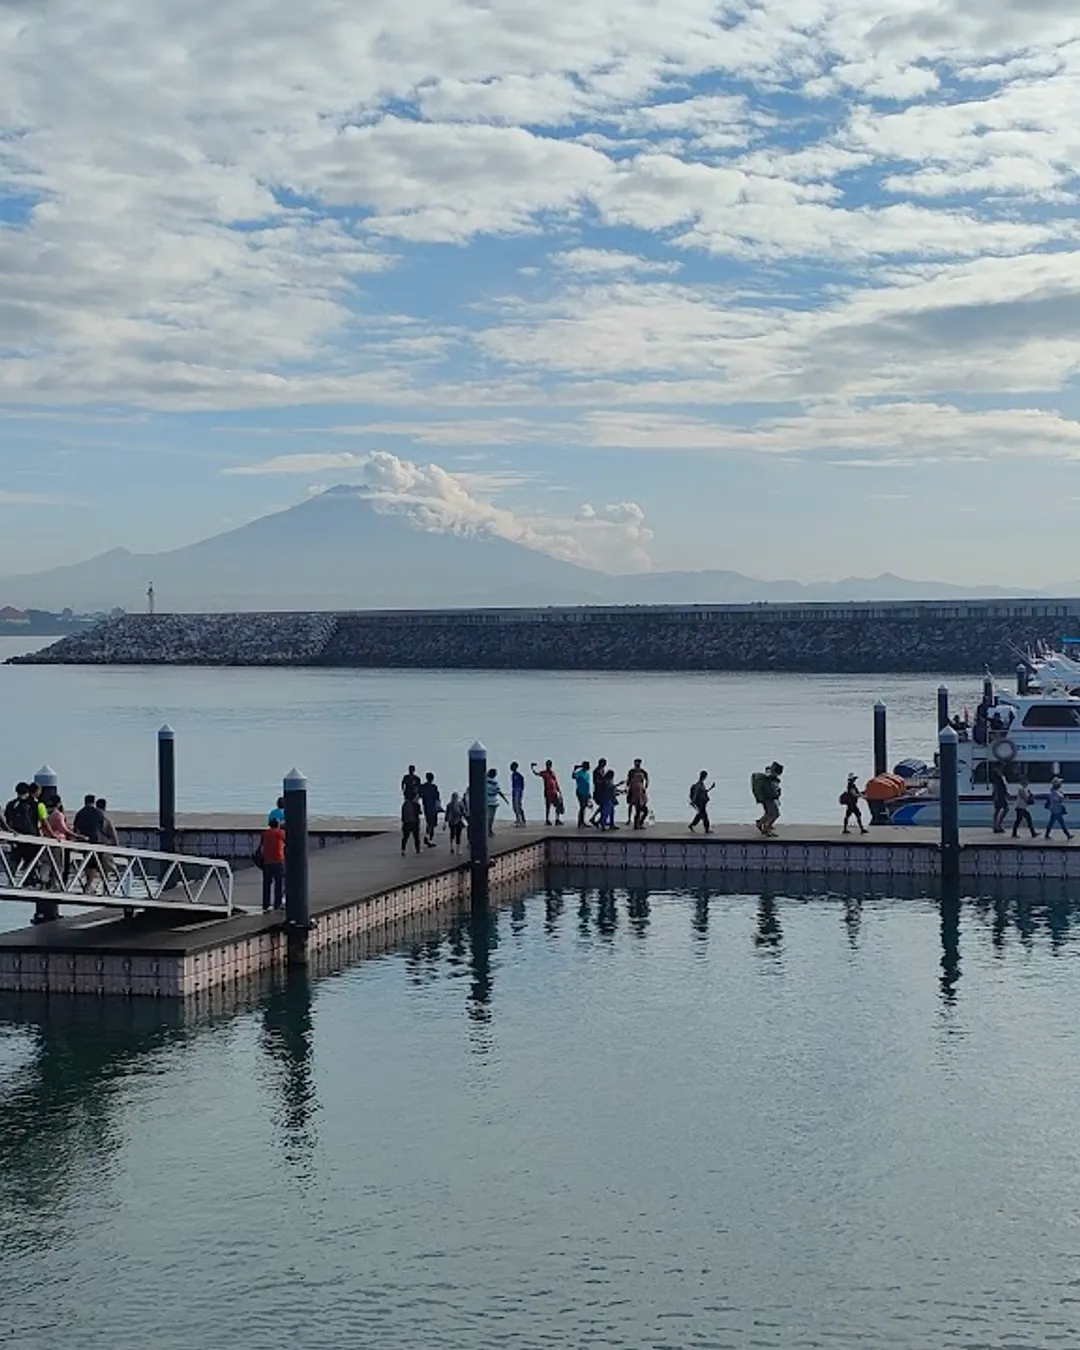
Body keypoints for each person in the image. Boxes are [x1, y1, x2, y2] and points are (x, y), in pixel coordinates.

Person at [260, 818, 286, 912]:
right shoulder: (280, 833)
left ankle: (265, 904)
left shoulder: (265, 833)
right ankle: (277, 904)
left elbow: (262, 845)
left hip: (267, 861)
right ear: (278, 825)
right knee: (279, 883)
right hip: (278, 860)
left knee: (266, 883)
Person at [532, 760, 564, 826]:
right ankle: (547, 820)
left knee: (558, 806)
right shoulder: (544, 773)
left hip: (554, 792)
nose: (549, 766)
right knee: (548, 807)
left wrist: (559, 790)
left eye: (549, 765)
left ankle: (557, 820)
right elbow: (536, 774)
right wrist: (532, 768)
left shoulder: (553, 773)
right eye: (548, 765)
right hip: (548, 792)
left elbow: (556, 782)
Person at [419, 772, 442, 847]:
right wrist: (439, 807)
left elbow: (419, 796)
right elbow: (437, 798)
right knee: (432, 824)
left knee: (429, 823)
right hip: (433, 808)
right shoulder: (434, 787)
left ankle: (428, 838)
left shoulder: (423, 787)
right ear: (432, 778)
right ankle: (429, 838)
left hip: (426, 807)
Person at [626, 759, 649, 829]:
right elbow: (628, 781)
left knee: (641, 807)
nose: (637, 764)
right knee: (632, 805)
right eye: (636, 763)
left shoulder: (643, 771)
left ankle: (638, 823)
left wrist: (644, 788)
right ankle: (631, 820)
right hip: (633, 790)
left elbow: (647, 780)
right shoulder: (631, 771)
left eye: (638, 763)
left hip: (640, 791)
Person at [486, 767, 508, 836]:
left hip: (486, 802)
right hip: (493, 802)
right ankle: (489, 830)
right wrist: (505, 800)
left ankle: (487, 830)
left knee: (487, 817)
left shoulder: (484, 781)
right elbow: (499, 792)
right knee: (491, 817)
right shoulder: (495, 783)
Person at [991, 766, 1011, 834]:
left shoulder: (1001, 777)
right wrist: (996, 796)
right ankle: (998, 825)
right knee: (1006, 809)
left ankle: (995, 826)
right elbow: (996, 787)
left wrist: (1006, 793)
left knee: (997, 810)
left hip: (1000, 795)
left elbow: (1003, 786)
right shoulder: (997, 778)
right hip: (1000, 796)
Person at [572, 761, 592, 829]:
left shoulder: (587, 774)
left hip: (586, 792)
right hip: (580, 792)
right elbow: (573, 777)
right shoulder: (579, 773)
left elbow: (588, 784)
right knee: (582, 806)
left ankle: (582, 821)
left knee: (584, 807)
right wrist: (574, 769)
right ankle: (580, 822)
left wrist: (589, 793)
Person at [510, 761, 527, 827]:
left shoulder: (519, 775)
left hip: (518, 791)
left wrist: (520, 792)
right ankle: (518, 819)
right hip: (514, 791)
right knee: (514, 806)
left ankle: (521, 820)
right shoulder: (513, 775)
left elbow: (522, 785)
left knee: (518, 806)